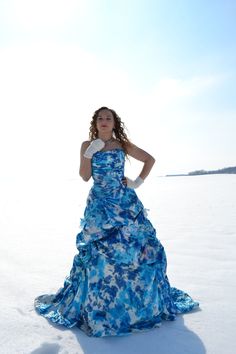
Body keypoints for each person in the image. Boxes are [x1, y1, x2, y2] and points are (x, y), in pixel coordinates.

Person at [34, 106, 199, 337]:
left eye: (108, 118)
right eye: (100, 118)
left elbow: (150, 159)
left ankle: (137, 307)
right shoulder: (86, 145)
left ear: (114, 123)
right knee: (98, 255)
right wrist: (90, 152)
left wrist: (137, 182)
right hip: (100, 205)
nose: (104, 121)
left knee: (140, 251)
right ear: (95, 123)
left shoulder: (122, 144)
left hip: (125, 203)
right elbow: (84, 176)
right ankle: (100, 307)